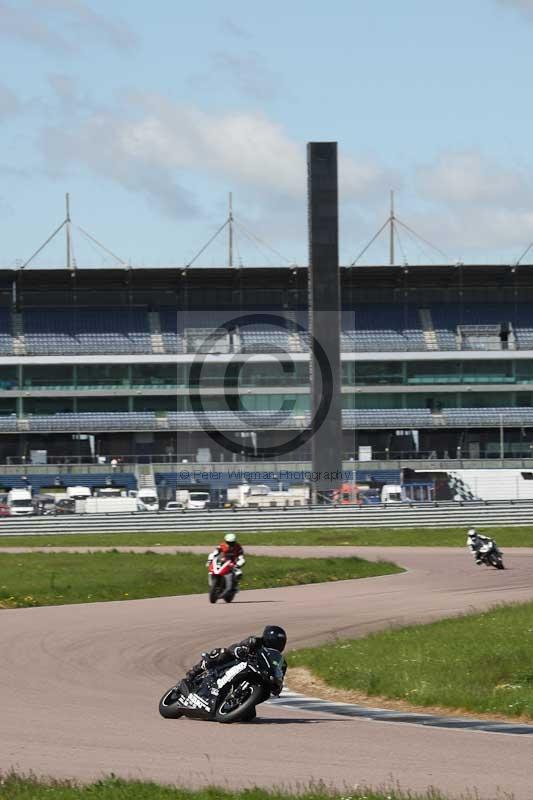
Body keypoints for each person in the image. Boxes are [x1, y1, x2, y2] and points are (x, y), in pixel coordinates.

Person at [179, 625, 287, 697]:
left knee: (249, 716)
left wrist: (277, 684)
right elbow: (235, 647)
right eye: (276, 641)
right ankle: (192, 675)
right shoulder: (255, 642)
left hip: (257, 678)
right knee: (221, 653)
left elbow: (279, 680)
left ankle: (236, 701)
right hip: (238, 663)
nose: (277, 644)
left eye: (280, 642)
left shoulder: (281, 662)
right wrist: (240, 650)